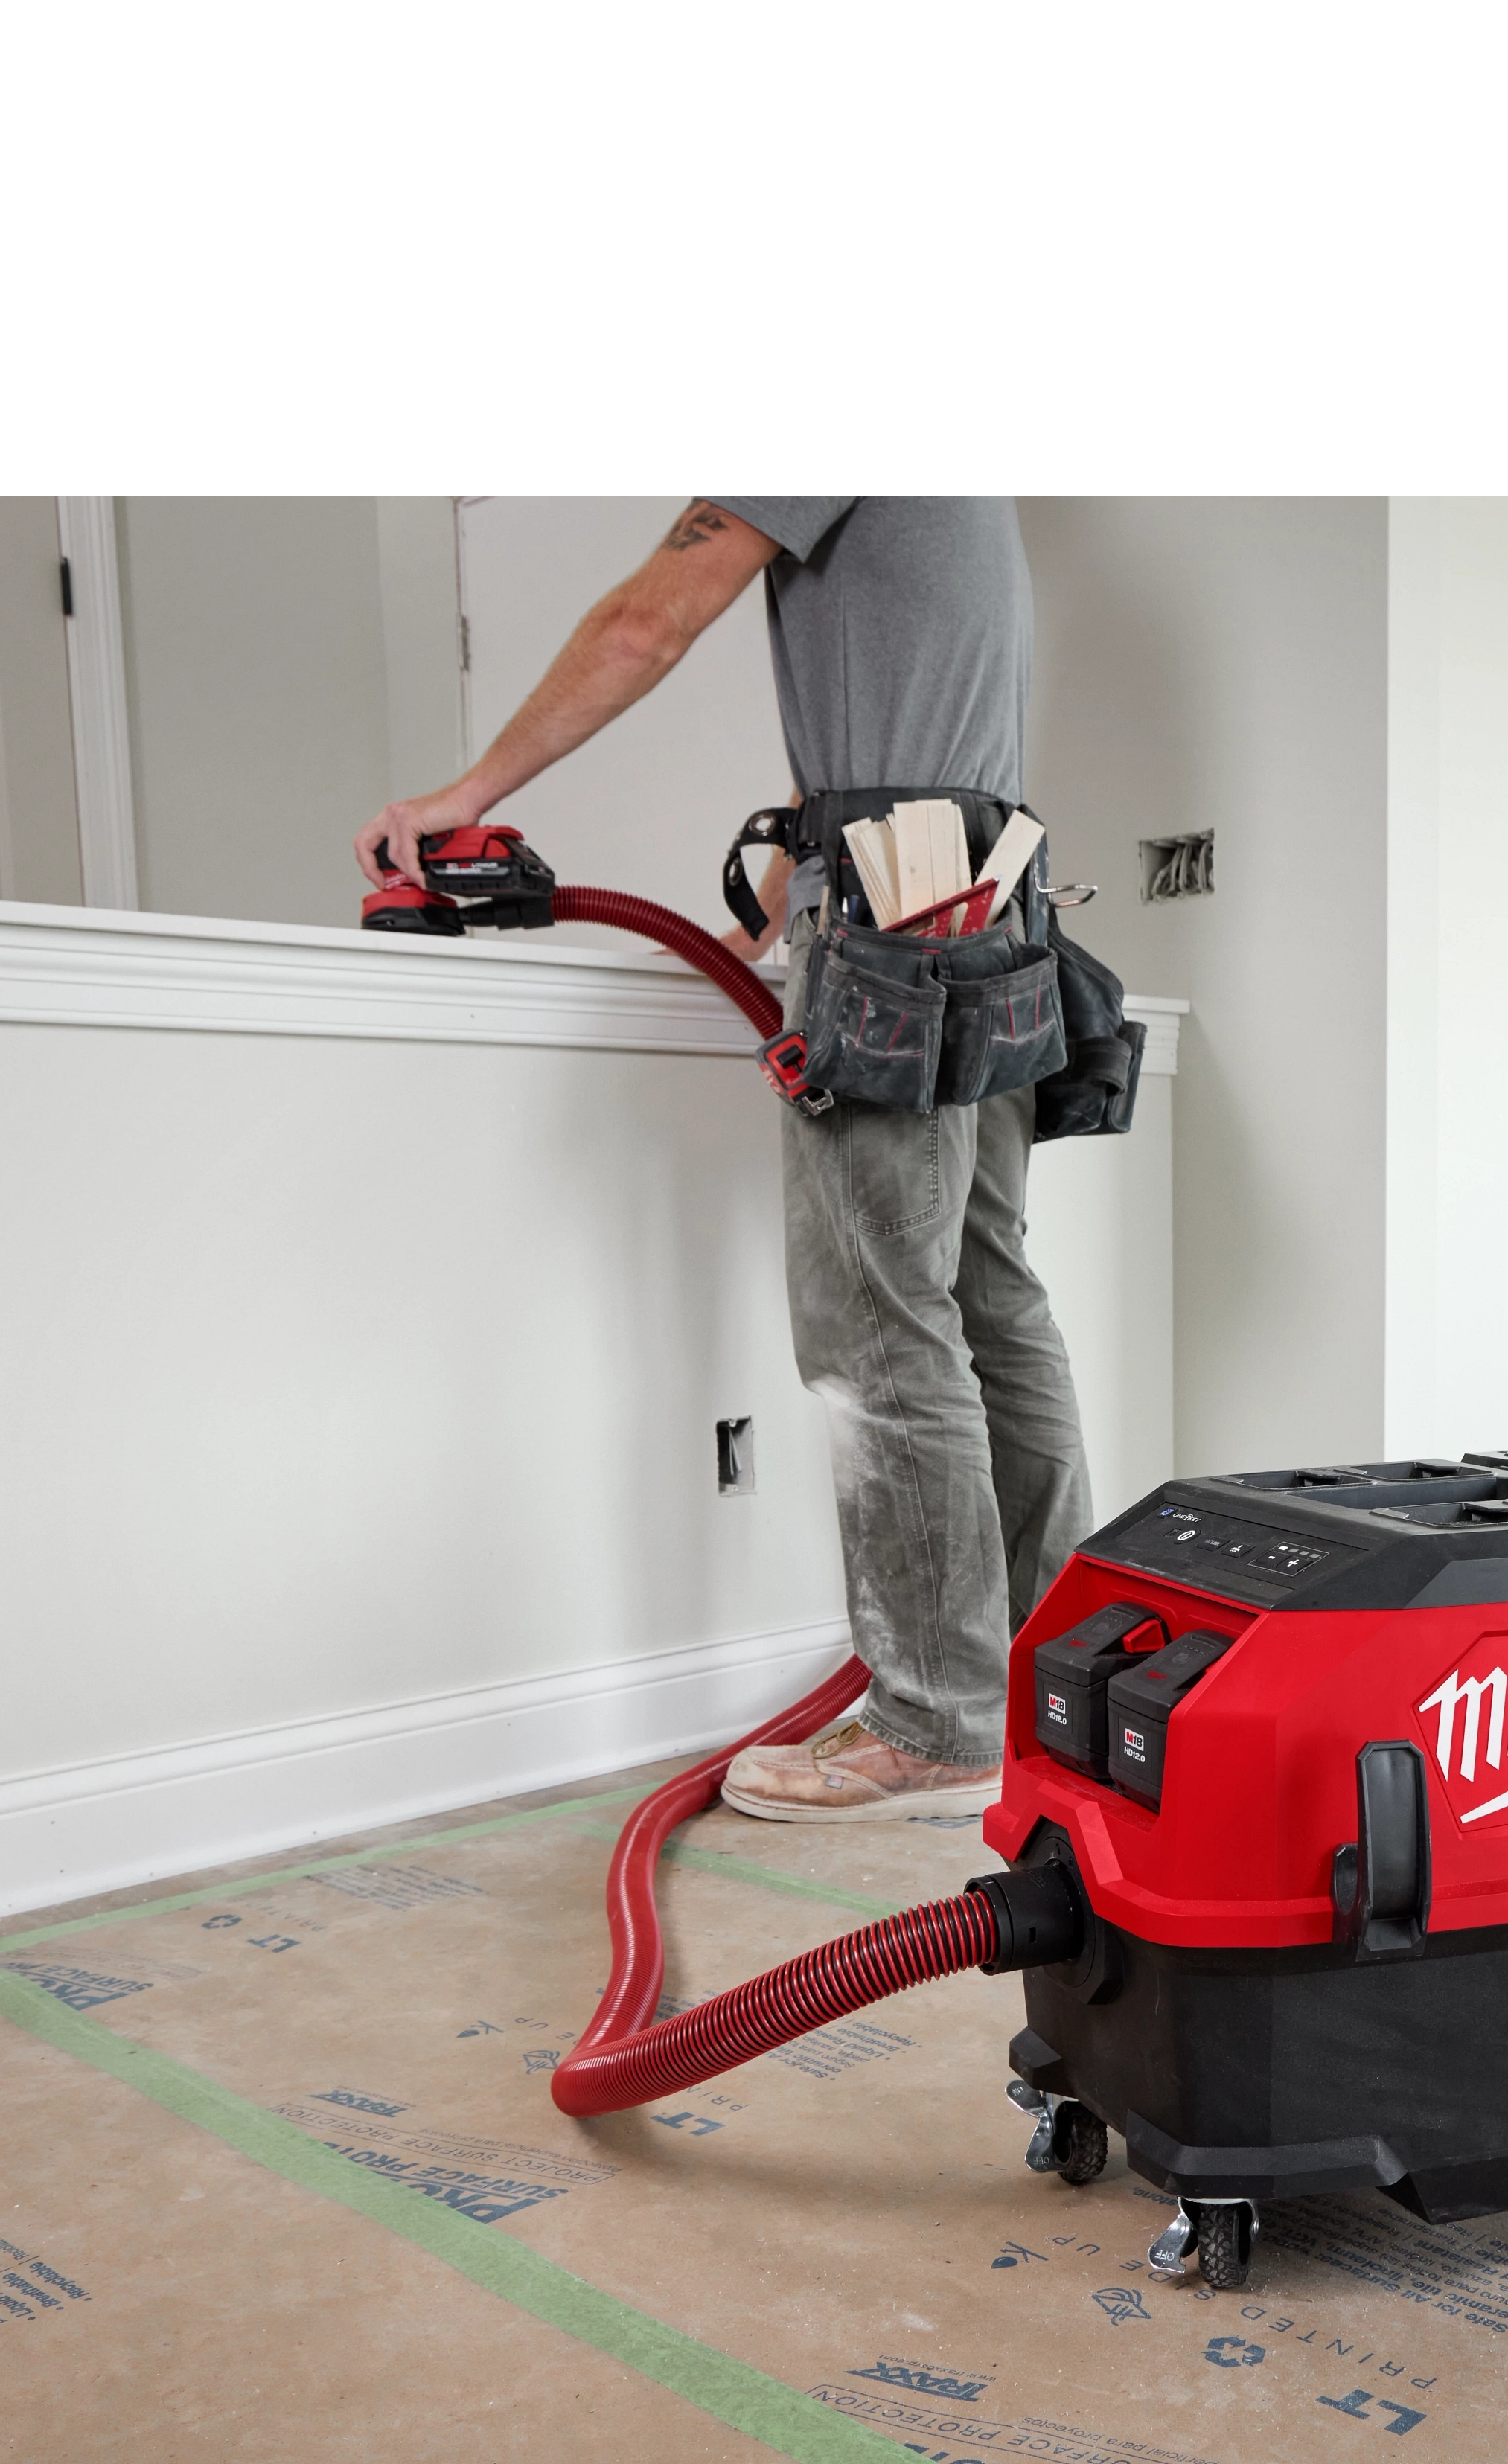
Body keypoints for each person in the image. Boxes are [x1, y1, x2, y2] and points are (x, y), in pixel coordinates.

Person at [353, 496, 1091, 1825]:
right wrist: (771, 919)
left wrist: (462, 798)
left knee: (880, 1327)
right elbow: (890, 710)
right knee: (991, 1300)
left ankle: (938, 1725)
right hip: (987, 893)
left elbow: (650, 618)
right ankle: (1053, 1687)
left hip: (898, 913)